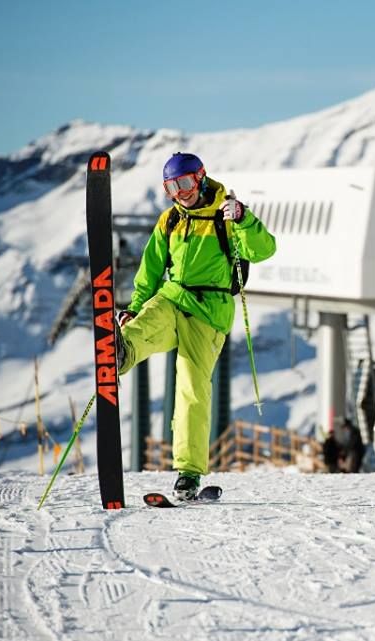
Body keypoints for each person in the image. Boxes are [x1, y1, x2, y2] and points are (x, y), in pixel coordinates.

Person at [116, 152, 276, 500]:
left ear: (200, 178)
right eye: (171, 187)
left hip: (209, 311)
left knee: (192, 388)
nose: (180, 192)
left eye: (185, 183)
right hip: (174, 295)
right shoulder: (170, 220)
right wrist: (134, 308)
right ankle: (121, 351)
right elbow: (151, 269)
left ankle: (188, 473)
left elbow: (264, 250)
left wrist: (244, 219)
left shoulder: (225, 215)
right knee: (149, 319)